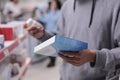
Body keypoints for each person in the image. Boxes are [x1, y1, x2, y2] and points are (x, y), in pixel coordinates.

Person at [24, 0, 120, 80]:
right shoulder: (66, 6)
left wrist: (94, 57)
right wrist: (43, 35)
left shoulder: (115, 4)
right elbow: (61, 41)